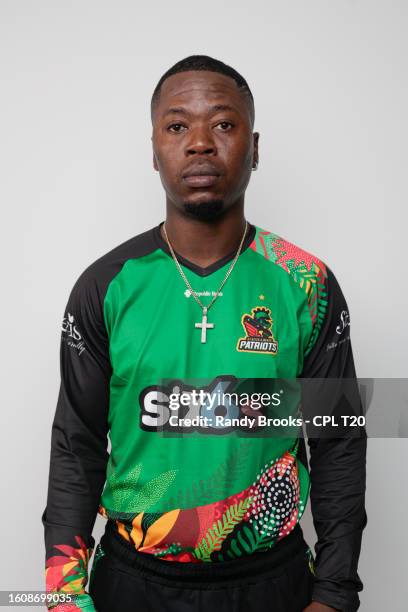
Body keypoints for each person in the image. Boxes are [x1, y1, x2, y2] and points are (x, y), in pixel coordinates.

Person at [41, 55, 367, 612]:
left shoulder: (305, 281)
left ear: (255, 147)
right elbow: (77, 446)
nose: (199, 143)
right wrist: (63, 595)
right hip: (132, 582)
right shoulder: (105, 286)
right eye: (176, 126)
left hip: (273, 582)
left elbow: (339, 439)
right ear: (154, 151)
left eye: (222, 123)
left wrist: (335, 594)